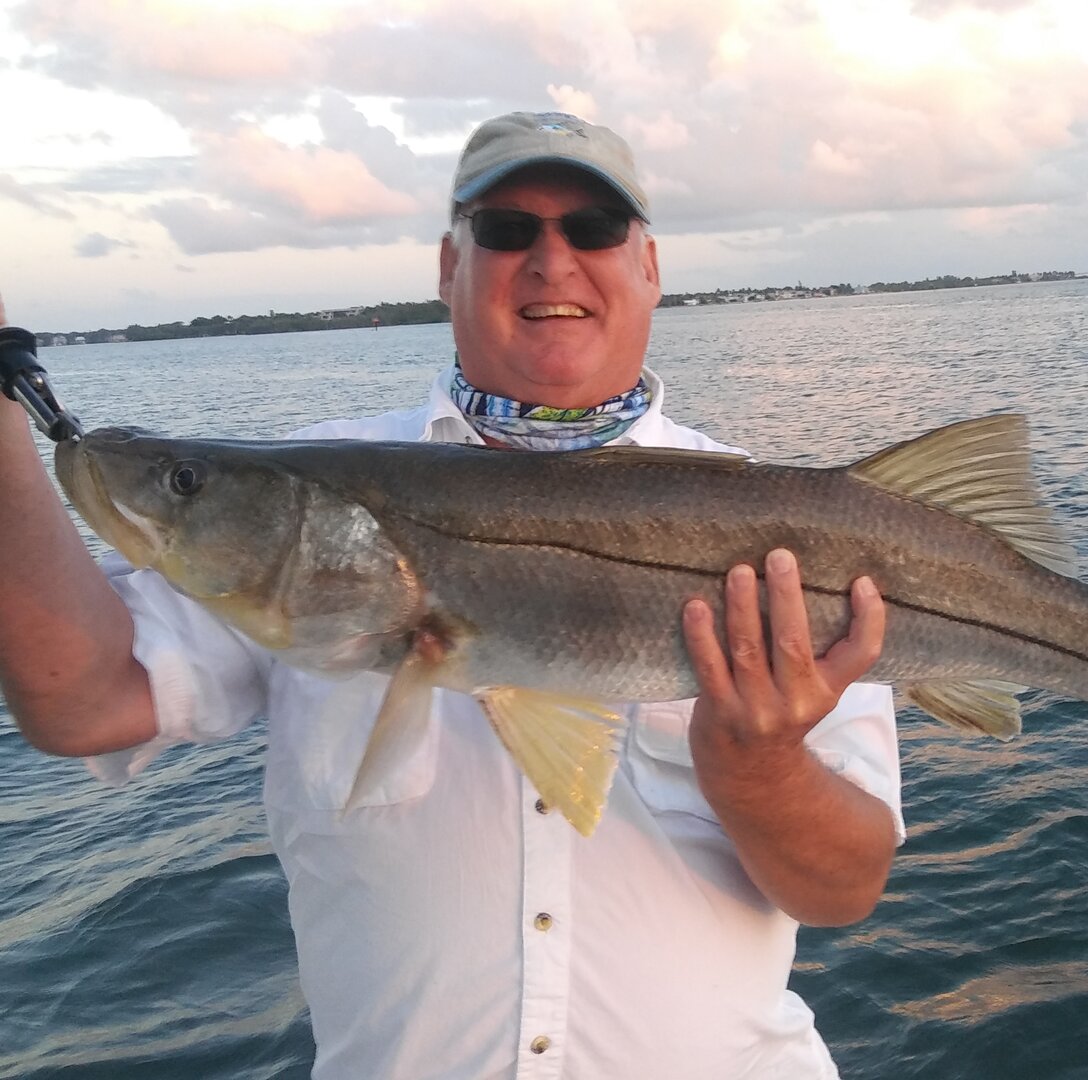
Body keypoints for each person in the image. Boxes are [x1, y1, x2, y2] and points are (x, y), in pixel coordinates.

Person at [0, 112, 903, 1079]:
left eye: (594, 227)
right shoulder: (322, 477)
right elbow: (80, 701)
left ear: (648, 267)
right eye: (506, 230)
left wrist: (761, 768)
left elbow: (843, 891)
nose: (551, 260)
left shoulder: (787, 530)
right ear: (448, 265)